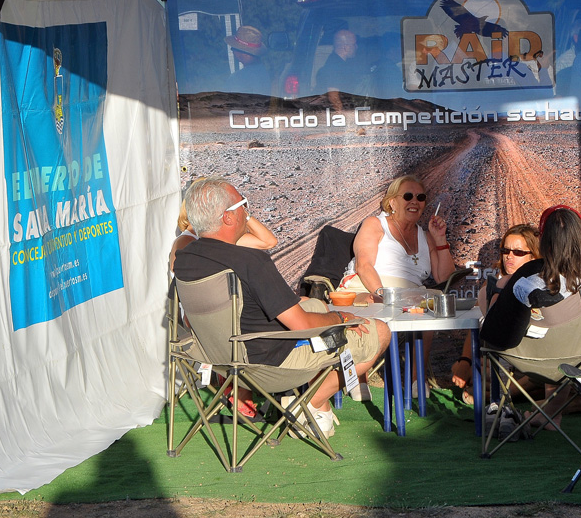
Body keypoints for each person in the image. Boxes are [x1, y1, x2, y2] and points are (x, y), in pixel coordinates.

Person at [172, 177, 390, 437]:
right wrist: (341, 318)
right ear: (228, 217)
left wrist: (325, 313)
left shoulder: (185, 258)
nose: (247, 212)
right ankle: (311, 402)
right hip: (271, 366)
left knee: (316, 306)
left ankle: (310, 402)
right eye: (243, 205)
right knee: (380, 331)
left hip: (219, 359)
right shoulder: (250, 260)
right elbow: (301, 325)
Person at [480, 205, 581, 427]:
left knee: (496, 331)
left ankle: (502, 407)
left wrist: (494, 301)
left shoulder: (526, 278)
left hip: (541, 362)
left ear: (542, 240)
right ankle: (553, 413)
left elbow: (501, 337)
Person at [341, 175, 455, 394]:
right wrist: (383, 294)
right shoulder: (375, 224)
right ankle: (358, 374)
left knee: (430, 306)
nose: (415, 202)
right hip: (368, 288)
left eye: (420, 197)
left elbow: (445, 278)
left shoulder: (425, 236)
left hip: (408, 296)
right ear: (392, 202)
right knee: (373, 305)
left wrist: (440, 240)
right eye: (408, 196)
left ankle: (416, 379)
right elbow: (364, 266)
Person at [451, 224, 540, 404]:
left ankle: (503, 396)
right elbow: (476, 324)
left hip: (533, 360)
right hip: (502, 359)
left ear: (534, 256)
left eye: (518, 252)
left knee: (544, 374)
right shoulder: (492, 285)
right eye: (505, 250)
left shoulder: (541, 284)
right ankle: (516, 393)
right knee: (478, 373)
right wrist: (466, 360)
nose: (509, 256)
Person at [168, 179, 278, 272]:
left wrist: (242, 211)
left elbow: (268, 242)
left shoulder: (216, 235)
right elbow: (187, 275)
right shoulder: (185, 241)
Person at [316, 29, 365, 113]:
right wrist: (343, 116)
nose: (356, 47)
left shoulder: (341, 64)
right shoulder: (334, 66)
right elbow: (333, 96)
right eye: (354, 44)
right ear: (345, 47)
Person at [222, 25, 271, 95]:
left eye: (233, 48)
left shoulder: (236, 79)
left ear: (243, 53)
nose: (232, 51)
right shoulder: (265, 73)